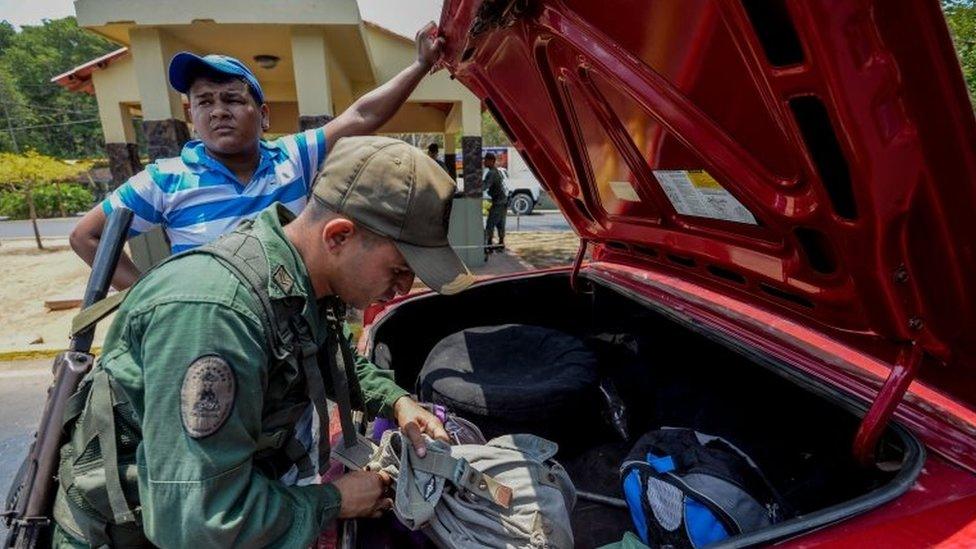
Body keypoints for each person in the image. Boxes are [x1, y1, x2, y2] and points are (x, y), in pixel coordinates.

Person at [51, 136, 477, 548]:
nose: (403, 289)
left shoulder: (296, 275)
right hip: (135, 534)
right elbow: (198, 523)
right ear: (339, 236)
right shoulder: (217, 317)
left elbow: (327, 355)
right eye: (399, 270)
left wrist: (397, 402)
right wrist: (335, 501)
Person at [70, 22, 446, 290]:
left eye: (232, 99)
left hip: (291, 339)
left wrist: (421, 65)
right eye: (204, 102)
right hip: (217, 342)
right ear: (191, 116)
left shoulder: (293, 158)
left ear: (263, 115)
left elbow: (363, 115)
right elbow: (86, 237)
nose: (218, 111)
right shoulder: (163, 180)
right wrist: (149, 296)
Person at [483, 152, 507, 248]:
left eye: (486, 160)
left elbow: (485, 186)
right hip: (502, 201)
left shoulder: (491, 173)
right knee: (500, 223)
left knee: (490, 223)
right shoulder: (495, 171)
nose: (484, 162)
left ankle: (489, 245)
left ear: (491, 161)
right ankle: (501, 243)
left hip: (498, 202)